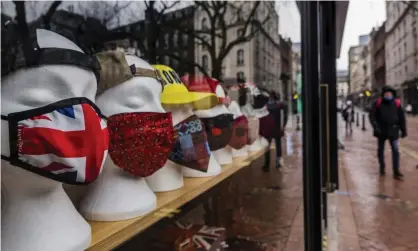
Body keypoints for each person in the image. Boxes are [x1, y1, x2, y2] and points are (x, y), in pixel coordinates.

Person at [369, 86, 407, 180]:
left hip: (393, 131)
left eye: (389, 94)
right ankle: (382, 168)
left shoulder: (397, 104)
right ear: (383, 95)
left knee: (395, 150)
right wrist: (375, 127)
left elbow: (402, 118)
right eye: (386, 94)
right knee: (381, 150)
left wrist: (403, 130)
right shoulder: (377, 103)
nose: (388, 95)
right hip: (381, 131)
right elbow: (372, 116)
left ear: (392, 95)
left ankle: (396, 171)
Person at [263, 90, 288, 171]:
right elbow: (285, 117)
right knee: (278, 145)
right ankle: (278, 163)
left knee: (267, 146)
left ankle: (267, 165)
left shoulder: (266, 105)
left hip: (267, 129)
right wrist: (283, 126)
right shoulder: (280, 105)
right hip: (277, 128)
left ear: (270, 96)